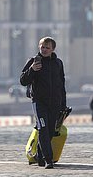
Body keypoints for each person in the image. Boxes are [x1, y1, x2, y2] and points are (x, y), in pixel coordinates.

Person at [20, 36, 67, 169]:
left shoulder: (58, 63)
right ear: (39, 47)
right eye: (42, 47)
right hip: (39, 102)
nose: (44, 49)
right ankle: (48, 159)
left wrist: (63, 104)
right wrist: (32, 70)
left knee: (50, 131)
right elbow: (23, 80)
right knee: (43, 128)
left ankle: (40, 156)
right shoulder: (33, 61)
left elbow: (61, 84)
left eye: (47, 47)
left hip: (55, 103)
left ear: (52, 49)